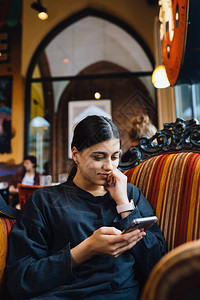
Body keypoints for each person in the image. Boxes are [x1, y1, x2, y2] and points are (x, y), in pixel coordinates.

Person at [6, 115, 165, 300]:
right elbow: (20, 279)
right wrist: (87, 249)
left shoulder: (131, 195)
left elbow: (157, 266)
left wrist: (124, 205)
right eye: (98, 157)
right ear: (76, 154)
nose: (109, 166)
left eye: (115, 157)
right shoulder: (44, 201)